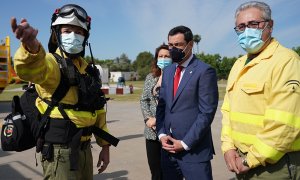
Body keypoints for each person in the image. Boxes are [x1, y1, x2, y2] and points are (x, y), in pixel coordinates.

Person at [11, 4, 110, 179]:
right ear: (56, 35)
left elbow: (99, 110)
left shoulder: (89, 71)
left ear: (85, 36)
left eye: (79, 32)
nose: (73, 35)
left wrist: (105, 146)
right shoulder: (51, 64)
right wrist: (31, 48)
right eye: (67, 30)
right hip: (60, 154)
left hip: (86, 149)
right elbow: (31, 69)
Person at [221, 1, 300, 179]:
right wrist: (228, 147)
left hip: (274, 165)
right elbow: (227, 111)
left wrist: (250, 159)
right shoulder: (239, 64)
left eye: (253, 24)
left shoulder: (286, 61)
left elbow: (285, 124)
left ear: (270, 26)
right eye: (241, 26)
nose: (247, 30)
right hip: (241, 159)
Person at [156, 25, 219, 180]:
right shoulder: (169, 70)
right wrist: (162, 133)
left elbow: (207, 113)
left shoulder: (204, 71)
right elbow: (162, 106)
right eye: (170, 45)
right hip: (168, 150)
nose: (172, 49)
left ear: (190, 45)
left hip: (194, 152)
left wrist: (184, 143)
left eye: (178, 45)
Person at [140, 43, 172, 180]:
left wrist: (158, 120)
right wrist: (148, 119)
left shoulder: (177, 79)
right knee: (156, 172)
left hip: (170, 133)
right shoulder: (150, 77)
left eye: (167, 56)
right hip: (151, 133)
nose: (163, 59)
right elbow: (144, 100)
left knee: (170, 172)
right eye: (160, 56)